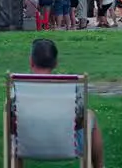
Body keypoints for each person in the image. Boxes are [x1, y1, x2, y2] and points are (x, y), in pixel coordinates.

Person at [23, 39, 105, 168]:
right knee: (89, 115)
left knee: (12, 133)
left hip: (26, 145)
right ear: (55, 63)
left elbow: (12, 119)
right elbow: (79, 120)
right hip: (67, 146)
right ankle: (99, 166)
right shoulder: (69, 86)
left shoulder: (19, 86)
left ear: (31, 61)